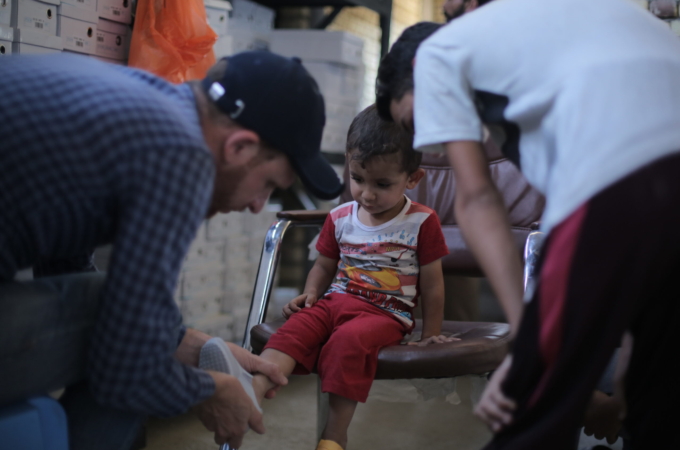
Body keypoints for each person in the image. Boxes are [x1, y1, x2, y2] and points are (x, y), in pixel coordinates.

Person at [0, 50, 344, 450]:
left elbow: (65, 265)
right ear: (238, 148)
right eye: (267, 184)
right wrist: (209, 390)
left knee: (129, 324)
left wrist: (190, 343)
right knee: (127, 346)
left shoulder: (151, 105)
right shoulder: (181, 153)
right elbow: (124, 363)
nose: (257, 205)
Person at [380, 0, 680, 448]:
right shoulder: (570, 28)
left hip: (615, 184)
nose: (431, 140)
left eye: (414, 122)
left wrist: (526, 341)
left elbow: (477, 197)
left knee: (528, 412)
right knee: (658, 409)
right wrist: (630, 368)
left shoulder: (437, 54)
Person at [247, 104, 456, 450]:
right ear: (348, 164)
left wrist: (430, 333)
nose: (367, 194)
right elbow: (323, 266)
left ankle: (334, 436)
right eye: (357, 179)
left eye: (382, 184)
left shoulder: (422, 221)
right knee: (294, 329)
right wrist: (311, 292)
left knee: (347, 343)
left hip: (385, 313)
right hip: (333, 302)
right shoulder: (340, 216)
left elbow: (433, 284)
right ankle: (251, 392)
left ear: (412, 179)